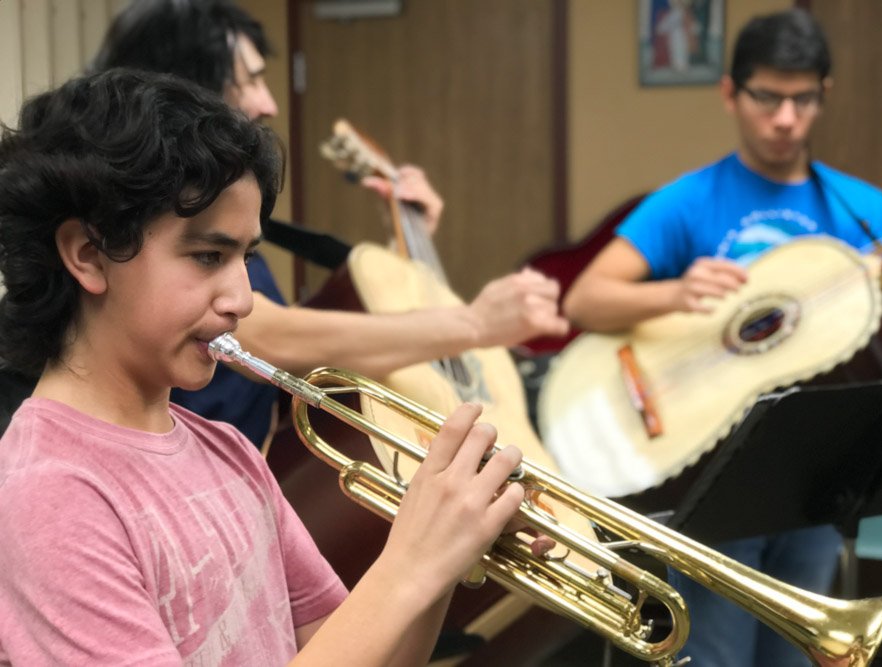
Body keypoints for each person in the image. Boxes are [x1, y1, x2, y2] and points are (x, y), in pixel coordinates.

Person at [0, 67, 536, 666]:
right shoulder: (48, 494)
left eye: (245, 257)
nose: (243, 298)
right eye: (208, 256)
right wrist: (409, 564)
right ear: (88, 255)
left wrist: (443, 561)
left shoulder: (228, 451)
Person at [562, 8, 882, 667]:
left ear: (823, 94)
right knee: (712, 656)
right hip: (714, 469)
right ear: (729, 93)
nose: (784, 118)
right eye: (766, 97)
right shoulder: (690, 200)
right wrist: (674, 291)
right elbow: (584, 298)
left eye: (801, 98)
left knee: (799, 654)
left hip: (814, 480)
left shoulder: (864, 211)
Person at [89, 0, 568, 450]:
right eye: (251, 81)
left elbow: (300, 334)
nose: (268, 104)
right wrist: (475, 323)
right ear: (189, 88)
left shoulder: (206, 218)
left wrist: (406, 246)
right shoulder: (155, 220)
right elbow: (276, 337)